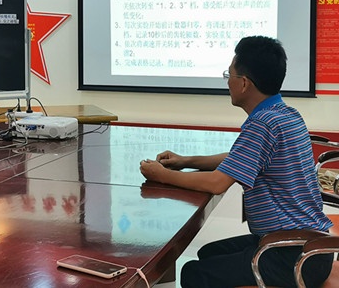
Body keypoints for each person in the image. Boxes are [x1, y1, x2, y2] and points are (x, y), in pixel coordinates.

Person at [140, 36, 334, 288]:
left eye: (228, 75)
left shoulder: (263, 124)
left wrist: (161, 175)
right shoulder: (284, 114)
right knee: (209, 253)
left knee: (193, 272)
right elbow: (238, 159)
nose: (227, 82)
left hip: (292, 255)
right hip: (311, 247)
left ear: (243, 83)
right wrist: (185, 160)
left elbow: (217, 183)